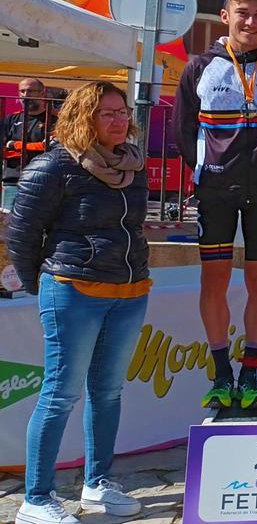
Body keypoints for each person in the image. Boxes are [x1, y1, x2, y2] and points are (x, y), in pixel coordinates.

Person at [8, 83, 150, 523]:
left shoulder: (133, 166)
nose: (118, 120)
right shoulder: (54, 167)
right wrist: (44, 284)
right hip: (74, 289)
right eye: (106, 113)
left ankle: (98, 484)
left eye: (122, 111)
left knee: (107, 392)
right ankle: (37, 498)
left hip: (128, 292)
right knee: (59, 394)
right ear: (82, 117)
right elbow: (21, 234)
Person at [173, 0, 257, 411]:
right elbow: (184, 131)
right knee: (215, 280)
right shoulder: (199, 67)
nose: (251, 22)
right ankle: (222, 374)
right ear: (225, 16)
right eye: (242, 13)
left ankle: (251, 372)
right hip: (217, 194)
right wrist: (207, 174)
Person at [3, 78, 56, 184]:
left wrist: (13, 145)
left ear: (42, 93)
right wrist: (33, 149)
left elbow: (49, 147)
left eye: (31, 91)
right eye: (22, 91)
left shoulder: (55, 120)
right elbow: (3, 150)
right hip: (12, 180)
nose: (26, 95)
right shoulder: (10, 119)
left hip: (44, 179)